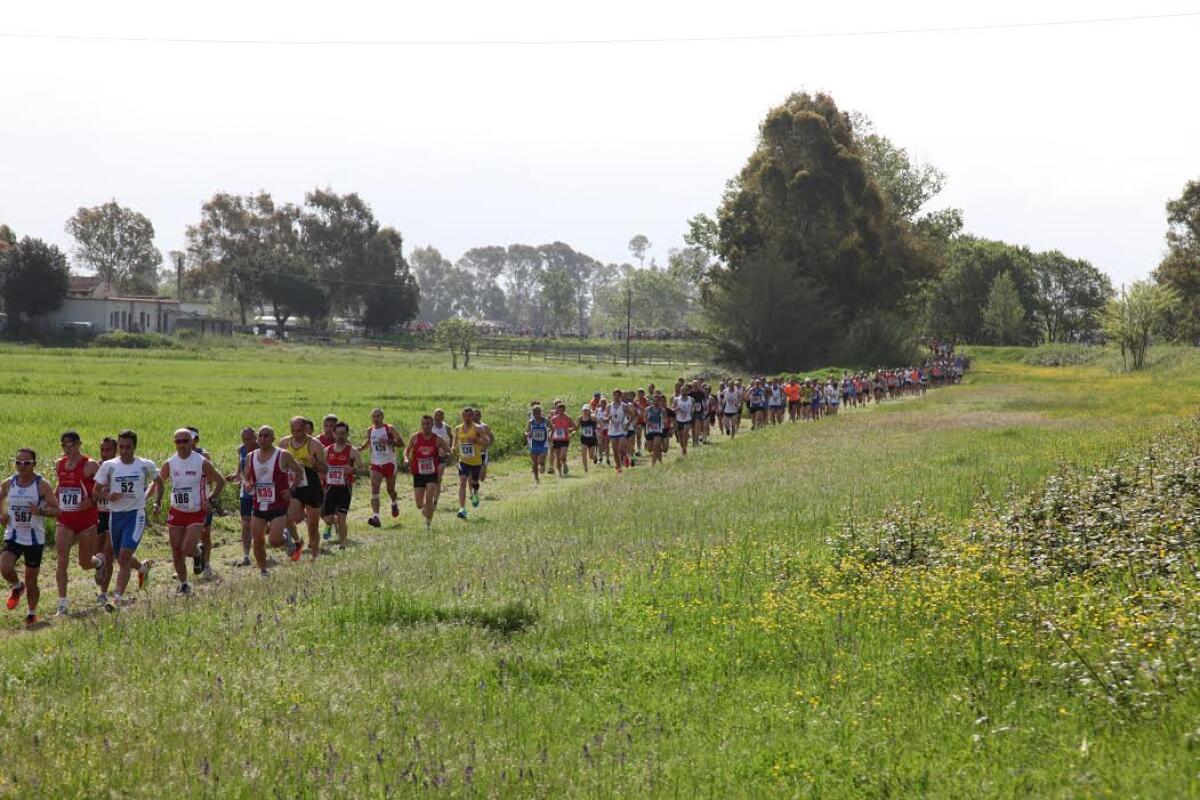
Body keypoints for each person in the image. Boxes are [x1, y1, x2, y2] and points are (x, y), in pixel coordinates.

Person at [93, 431, 162, 607]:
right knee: (120, 556)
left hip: (135, 515)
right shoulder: (109, 466)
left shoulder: (145, 465)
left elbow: (159, 482)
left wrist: (157, 503)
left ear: (134, 447)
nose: (124, 451)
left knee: (123, 557)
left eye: (128, 447)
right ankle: (142, 568)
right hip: (115, 516)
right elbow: (95, 491)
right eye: (122, 447)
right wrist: (108, 496)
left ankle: (117, 597)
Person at [156, 429, 225, 596]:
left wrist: (210, 500)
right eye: (177, 441)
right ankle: (184, 584)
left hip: (196, 511)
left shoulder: (201, 462)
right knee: (176, 549)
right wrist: (154, 501)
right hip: (177, 510)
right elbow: (159, 481)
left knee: (187, 548)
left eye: (184, 441)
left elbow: (220, 482)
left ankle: (198, 553)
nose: (181, 445)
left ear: (192, 442)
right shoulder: (170, 462)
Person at [2, 448, 60, 627]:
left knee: (32, 580)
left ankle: (31, 613)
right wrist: (2, 515)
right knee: (4, 566)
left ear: (34, 464)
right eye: (18, 462)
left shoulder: (42, 485)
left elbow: (57, 510)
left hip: (35, 538)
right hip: (14, 534)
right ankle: (17, 586)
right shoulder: (8, 483)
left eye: (26, 463)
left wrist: (40, 511)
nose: (22, 466)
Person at [52, 430, 103, 617]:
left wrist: (91, 501)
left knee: (84, 563)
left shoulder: (90, 465)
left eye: (71, 445)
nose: (67, 448)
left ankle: (98, 563)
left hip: (86, 520)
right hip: (65, 519)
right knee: (62, 560)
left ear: (79, 444)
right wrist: (53, 499)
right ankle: (62, 604)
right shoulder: (59, 464)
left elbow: (104, 486)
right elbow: (60, 485)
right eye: (64, 445)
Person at [244, 426, 305, 577]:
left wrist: (291, 490)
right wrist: (248, 483)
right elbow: (245, 475)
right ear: (257, 438)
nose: (263, 439)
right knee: (257, 541)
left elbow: (299, 471)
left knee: (275, 541)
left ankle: (285, 537)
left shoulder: (283, 455)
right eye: (260, 436)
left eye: (266, 436)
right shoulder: (251, 456)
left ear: (273, 438)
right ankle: (263, 571)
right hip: (259, 504)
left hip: (278, 503)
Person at [281, 416, 328, 559]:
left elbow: (325, 469)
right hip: (294, 486)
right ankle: (297, 541)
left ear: (306, 428)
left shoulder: (314, 445)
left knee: (312, 526)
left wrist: (315, 463)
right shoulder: (284, 443)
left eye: (299, 430)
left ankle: (314, 556)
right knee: (289, 517)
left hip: (312, 486)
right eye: (293, 430)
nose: (296, 434)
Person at [322, 421, 363, 550]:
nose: (340, 436)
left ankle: (342, 545)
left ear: (347, 434)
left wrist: (353, 470)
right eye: (338, 433)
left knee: (341, 518)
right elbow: (321, 468)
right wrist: (323, 478)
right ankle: (329, 525)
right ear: (333, 434)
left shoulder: (352, 451)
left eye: (343, 433)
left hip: (345, 488)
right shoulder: (327, 450)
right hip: (330, 488)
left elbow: (363, 469)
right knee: (328, 518)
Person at [405, 415, 450, 530]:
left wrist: (444, 454)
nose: (426, 426)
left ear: (432, 425)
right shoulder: (415, 437)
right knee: (419, 505)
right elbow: (407, 450)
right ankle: (427, 509)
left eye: (428, 424)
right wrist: (406, 458)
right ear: (421, 425)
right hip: (418, 473)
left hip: (431, 473)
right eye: (424, 424)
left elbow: (448, 451)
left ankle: (428, 524)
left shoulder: (438, 439)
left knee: (429, 500)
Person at [360, 408, 401, 528]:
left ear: (382, 417)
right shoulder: (370, 430)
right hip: (376, 464)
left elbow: (401, 443)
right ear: (371, 418)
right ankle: (376, 517)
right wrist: (361, 448)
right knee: (374, 490)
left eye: (378, 416)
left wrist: (389, 441)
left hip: (389, 463)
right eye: (374, 416)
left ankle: (394, 502)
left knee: (390, 490)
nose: (376, 419)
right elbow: (369, 442)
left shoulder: (389, 428)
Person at [185, 427, 215, 580]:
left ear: (196, 439)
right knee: (182, 536)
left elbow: (211, 479)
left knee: (205, 535)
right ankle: (182, 568)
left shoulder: (203, 455)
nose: (186, 442)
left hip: (202, 501)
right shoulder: (178, 457)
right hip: (184, 503)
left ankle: (207, 564)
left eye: (190, 438)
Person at [226, 427, 257, 566]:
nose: (247, 442)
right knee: (245, 522)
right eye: (244, 439)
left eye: (249, 438)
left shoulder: (265, 448)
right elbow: (240, 469)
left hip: (263, 490)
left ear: (256, 437)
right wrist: (235, 476)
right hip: (246, 490)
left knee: (261, 523)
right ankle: (246, 555)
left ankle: (282, 534)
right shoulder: (241, 450)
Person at [453, 407, 491, 519]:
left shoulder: (478, 428)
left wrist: (476, 441)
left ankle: (475, 494)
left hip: (476, 461)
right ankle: (462, 509)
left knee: (474, 482)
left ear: (473, 416)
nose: (467, 418)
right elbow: (455, 443)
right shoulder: (458, 429)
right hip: (463, 460)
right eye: (465, 416)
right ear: (462, 416)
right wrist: (451, 449)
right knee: (463, 482)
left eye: (470, 416)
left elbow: (487, 443)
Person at [549, 403, 576, 477]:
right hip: (556, 439)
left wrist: (569, 430)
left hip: (565, 439)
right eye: (559, 409)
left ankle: (564, 463)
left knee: (563, 454)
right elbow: (551, 429)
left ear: (564, 410)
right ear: (557, 410)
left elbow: (574, 427)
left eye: (562, 409)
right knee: (557, 457)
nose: (560, 411)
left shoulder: (568, 418)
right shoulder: (554, 418)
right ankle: (560, 472)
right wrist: (550, 436)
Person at [526, 405, 550, 483]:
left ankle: (542, 465)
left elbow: (553, 428)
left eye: (537, 412)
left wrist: (550, 434)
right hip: (534, 445)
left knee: (541, 462)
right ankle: (536, 479)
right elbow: (526, 432)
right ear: (532, 413)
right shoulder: (531, 422)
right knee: (534, 463)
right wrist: (528, 434)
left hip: (544, 444)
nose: (536, 414)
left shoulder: (545, 421)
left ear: (540, 413)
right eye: (534, 413)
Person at [607, 390, 628, 474]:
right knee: (615, 451)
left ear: (620, 396)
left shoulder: (624, 406)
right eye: (614, 395)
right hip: (613, 430)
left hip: (622, 430)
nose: (616, 397)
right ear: (613, 396)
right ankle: (619, 467)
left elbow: (633, 416)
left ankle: (626, 456)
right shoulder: (609, 406)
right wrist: (608, 417)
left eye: (618, 395)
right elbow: (606, 418)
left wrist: (628, 423)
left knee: (621, 449)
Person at [645, 392, 668, 465]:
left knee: (656, 446)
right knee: (650, 449)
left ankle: (653, 464)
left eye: (657, 401)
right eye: (654, 401)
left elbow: (665, 419)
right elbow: (644, 419)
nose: (655, 402)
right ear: (652, 401)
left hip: (658, 430)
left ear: (659, 401)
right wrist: (648, 422)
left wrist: (664, 421)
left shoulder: (662, 410)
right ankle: (660, 461)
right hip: (649, 430)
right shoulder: (648, 409)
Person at [577, 406, 598, 473]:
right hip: (584, 439)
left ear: (589, 411)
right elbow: (577, 427)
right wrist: (572, 431)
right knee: (583, 454)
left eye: (587, 410)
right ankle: (585, 468)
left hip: (592, 439)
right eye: (584, 410)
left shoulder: (593, 418)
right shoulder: (580, 418)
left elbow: (600, 424)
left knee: (591, 457)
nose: (585, 412)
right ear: (582, 411)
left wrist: (600, 430)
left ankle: (594, 456)